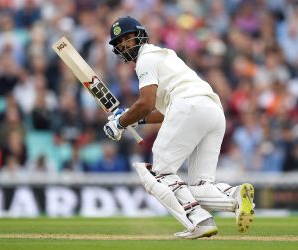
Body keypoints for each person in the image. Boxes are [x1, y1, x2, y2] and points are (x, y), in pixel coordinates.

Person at [103, 16, 255, 239]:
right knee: (200, 185)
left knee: (158, 173)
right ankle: (234, 196)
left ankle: (199, 220)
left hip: (189, 107)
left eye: (128, 37)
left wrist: (119, 123)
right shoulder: (165, 56)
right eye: (120, 42)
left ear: (140, 35)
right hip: (212, 110)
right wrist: (133, 119)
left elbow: (145, 103)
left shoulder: (146, 59)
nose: (125, 44)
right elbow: (163, 111)